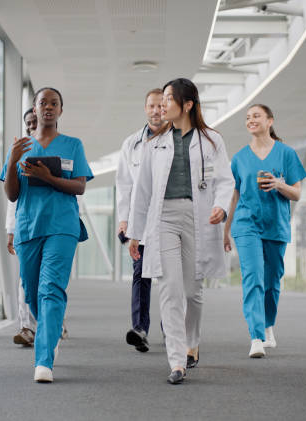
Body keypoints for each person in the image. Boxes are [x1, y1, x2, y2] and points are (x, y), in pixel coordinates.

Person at [127, 78, 234, 384]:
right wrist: (136, 232)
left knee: (192, 290)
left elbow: (225, 180)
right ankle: (177, 361)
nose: (163, 105)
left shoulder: (212, 140)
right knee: (170, 289)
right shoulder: (155, 143)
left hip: (198, 216)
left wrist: (221, 207)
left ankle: (192, 342)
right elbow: (142, 191)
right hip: (163, 219)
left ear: (187, 105)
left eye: (170, 99)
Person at [0, 87, 93, 383]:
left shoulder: (72, 145)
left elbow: (79, 186)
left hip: (62, 226)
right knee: (32, 292)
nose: (48, 107)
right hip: (29, 227)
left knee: (51, 288)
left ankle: (43, 361)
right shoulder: (20, 147)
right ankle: (50, 334)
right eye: (43, 103)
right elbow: (12, 194)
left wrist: (48, 178)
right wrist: (14, 163)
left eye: (54, 103)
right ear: (35, 109)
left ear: (61, 110)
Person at [223, 104, 306, 358]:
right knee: (253, 277)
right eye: (248, 117)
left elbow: (297, 193)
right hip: (246, 225)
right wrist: (225, 230)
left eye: (256, 116)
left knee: (271, 283)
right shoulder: (239, 158)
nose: (251, 120)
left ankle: (268, 325)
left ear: (270, 121)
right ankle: (256, 337)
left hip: (276, 225)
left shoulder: (286, 154)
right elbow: (234, 196)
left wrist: (279, 184)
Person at [116, 88, 164, 353]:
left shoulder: (178, 140)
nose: (156, 111)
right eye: (151, 106)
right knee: (140, 275)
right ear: (145, 108)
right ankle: (140, 329)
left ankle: (172, 330)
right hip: (140, 222)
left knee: (169, 279)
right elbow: (124, 185)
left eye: (160, 106)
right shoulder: (131, 144)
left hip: (169, 219)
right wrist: (123, 220)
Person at [9, 108, 39, 347]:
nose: (31, 126)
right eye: (28, 123)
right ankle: (26, 327)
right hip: (26, 227)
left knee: (50, 280)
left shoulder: (62, 147)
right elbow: (13, 196)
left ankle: (52, 321)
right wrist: (11, 230)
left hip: (54, 227)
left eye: (35, 121)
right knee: (25, 280)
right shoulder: (18, 153)